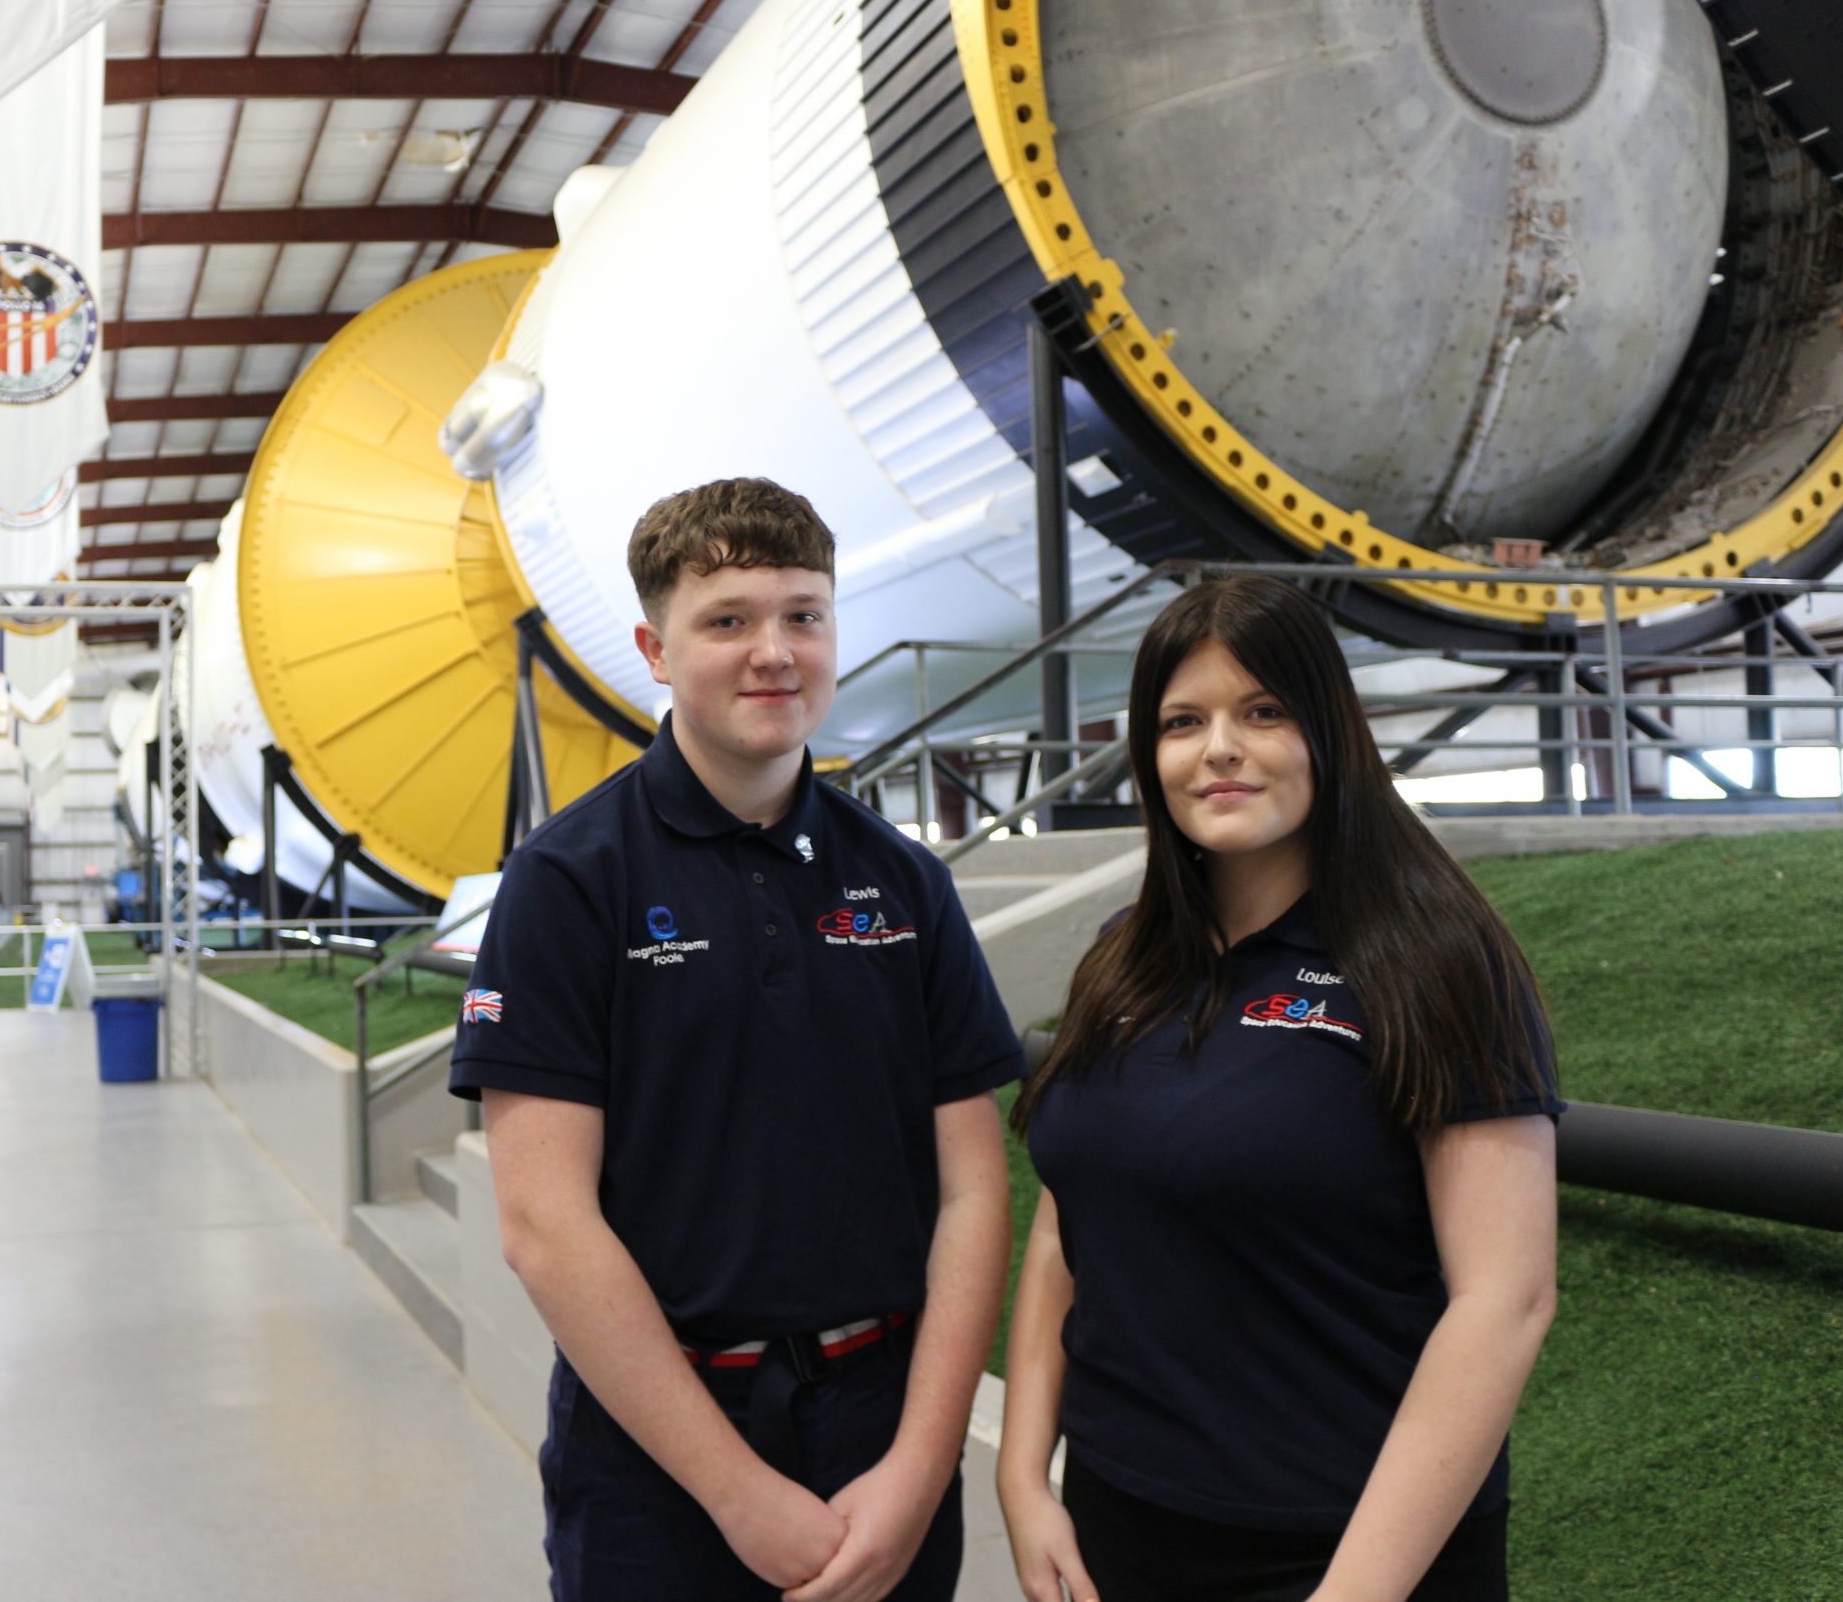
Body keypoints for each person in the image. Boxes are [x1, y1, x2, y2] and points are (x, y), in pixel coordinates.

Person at [451, 478, 1028, 1601]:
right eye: (727, 620)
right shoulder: (569, 881)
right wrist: (734, 1492)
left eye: (803, 614)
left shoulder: (903, 881)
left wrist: (920, 1466)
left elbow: (972, 1191)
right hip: (659, 1445)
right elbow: (545, 1224)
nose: (774, 652)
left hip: (883, 1424)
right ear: (655, 651)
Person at [996, 574, 1563, 1602]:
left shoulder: (1438, 961)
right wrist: (1024, 1476)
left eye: (1262, 711)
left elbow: (1506, 1300)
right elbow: (1066, 1222)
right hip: (1119, 1519)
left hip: (1348, 1551)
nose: (1219, 748)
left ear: (1329, 729)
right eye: (1182, 721)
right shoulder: (1122, 956)